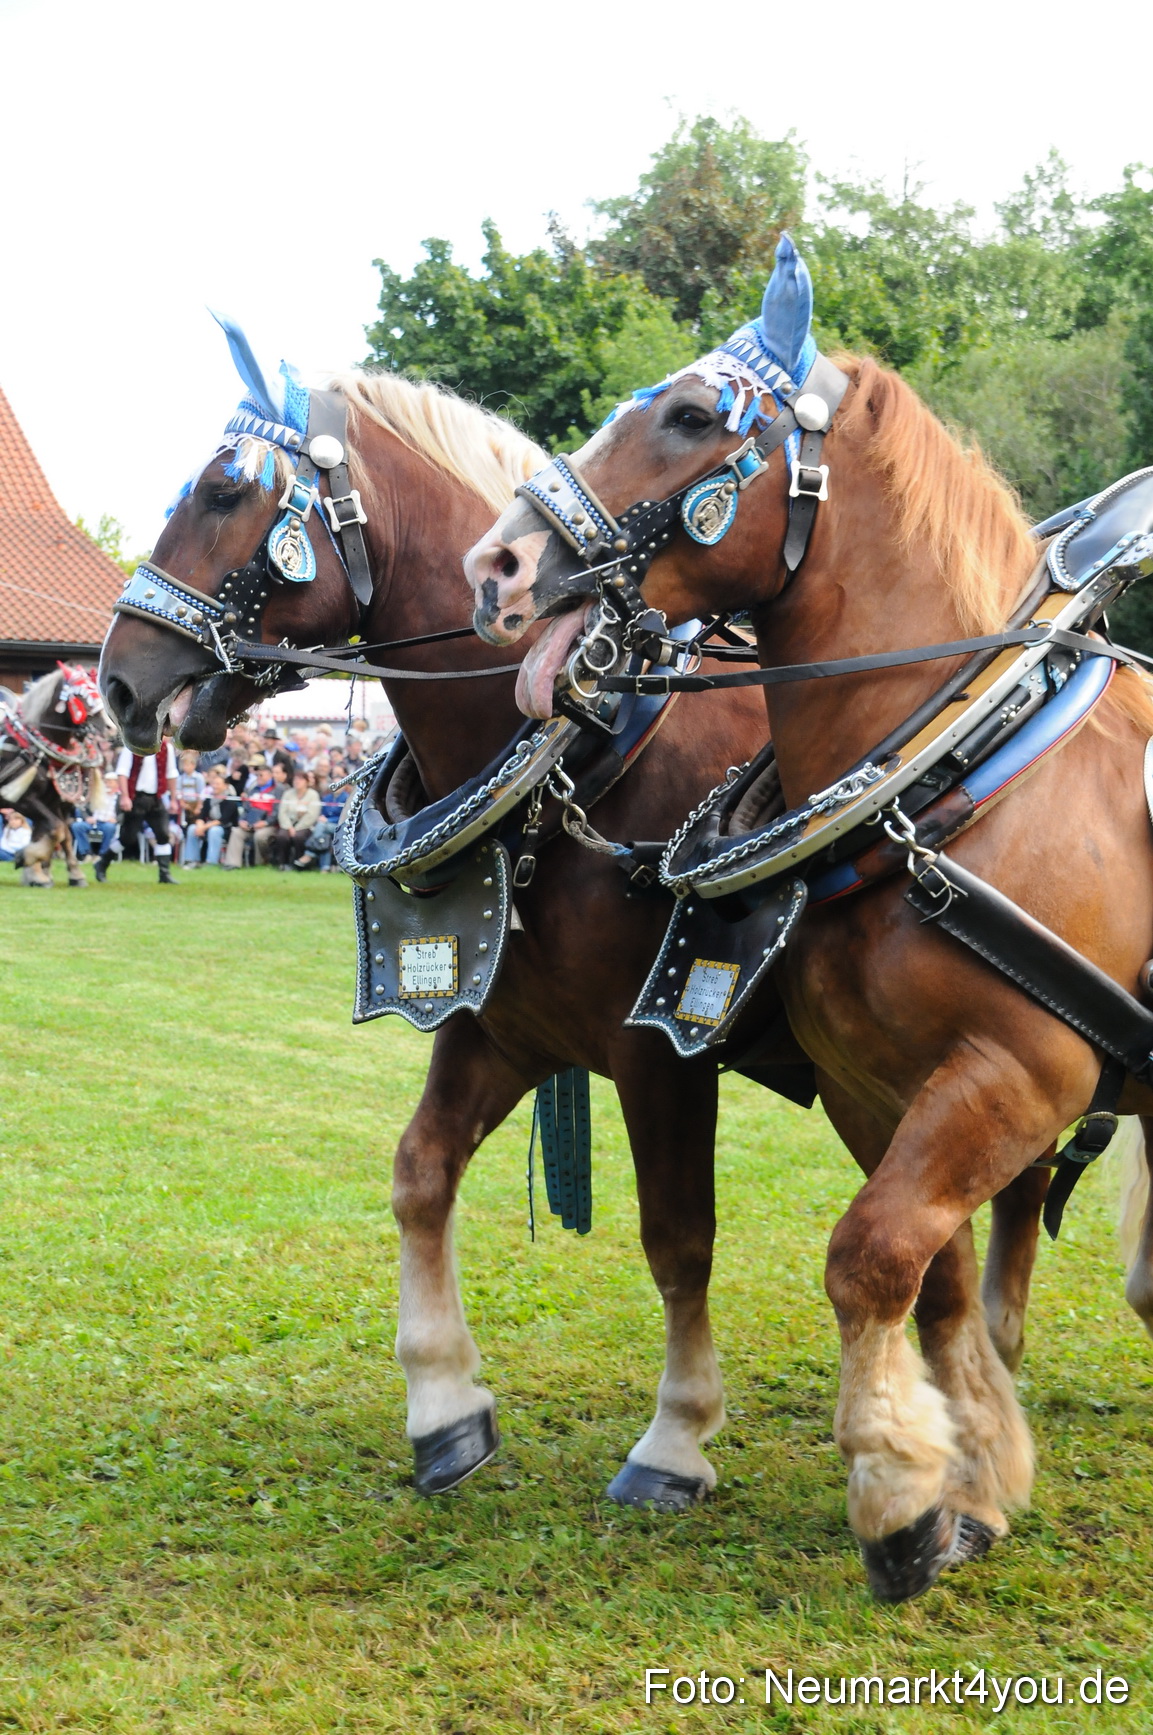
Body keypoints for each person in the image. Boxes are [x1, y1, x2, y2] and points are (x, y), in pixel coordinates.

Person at [97, 741, 179, 883]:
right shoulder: (133, 746)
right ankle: (102, 863)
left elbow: (171, 773)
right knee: (127, 838)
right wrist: (125, 796)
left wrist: (173, 799)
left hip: (156, 798)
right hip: (136, 798)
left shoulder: (167, 748)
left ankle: (164, 874)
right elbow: (122, 773)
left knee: (163, 835)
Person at [183, 766, 240, 867]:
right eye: (213, 783)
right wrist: (200, 826)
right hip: (209, 826)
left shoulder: (230, 800)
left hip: (225, 828)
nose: (215, 786)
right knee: (192, 828)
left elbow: (223, 820)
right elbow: (201, 816)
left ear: (226, 786)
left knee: (215, 831)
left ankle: (211, 862)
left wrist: (204, 827)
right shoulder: (209, 799)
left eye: (218, 784)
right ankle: (191, 860)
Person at [269, 768, 321, 868]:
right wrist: (289, 827)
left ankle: (299, 863)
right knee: (282, 836)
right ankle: (283, 863)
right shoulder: (288, 794)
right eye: (295, 780)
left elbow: (312, 815)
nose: (297, 782)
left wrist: (297, 828)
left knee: (299, 837)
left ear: (306, 782)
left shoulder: (313, 795)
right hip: (288, 824)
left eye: (300, 780)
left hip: (305, 825)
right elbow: (282, 812)